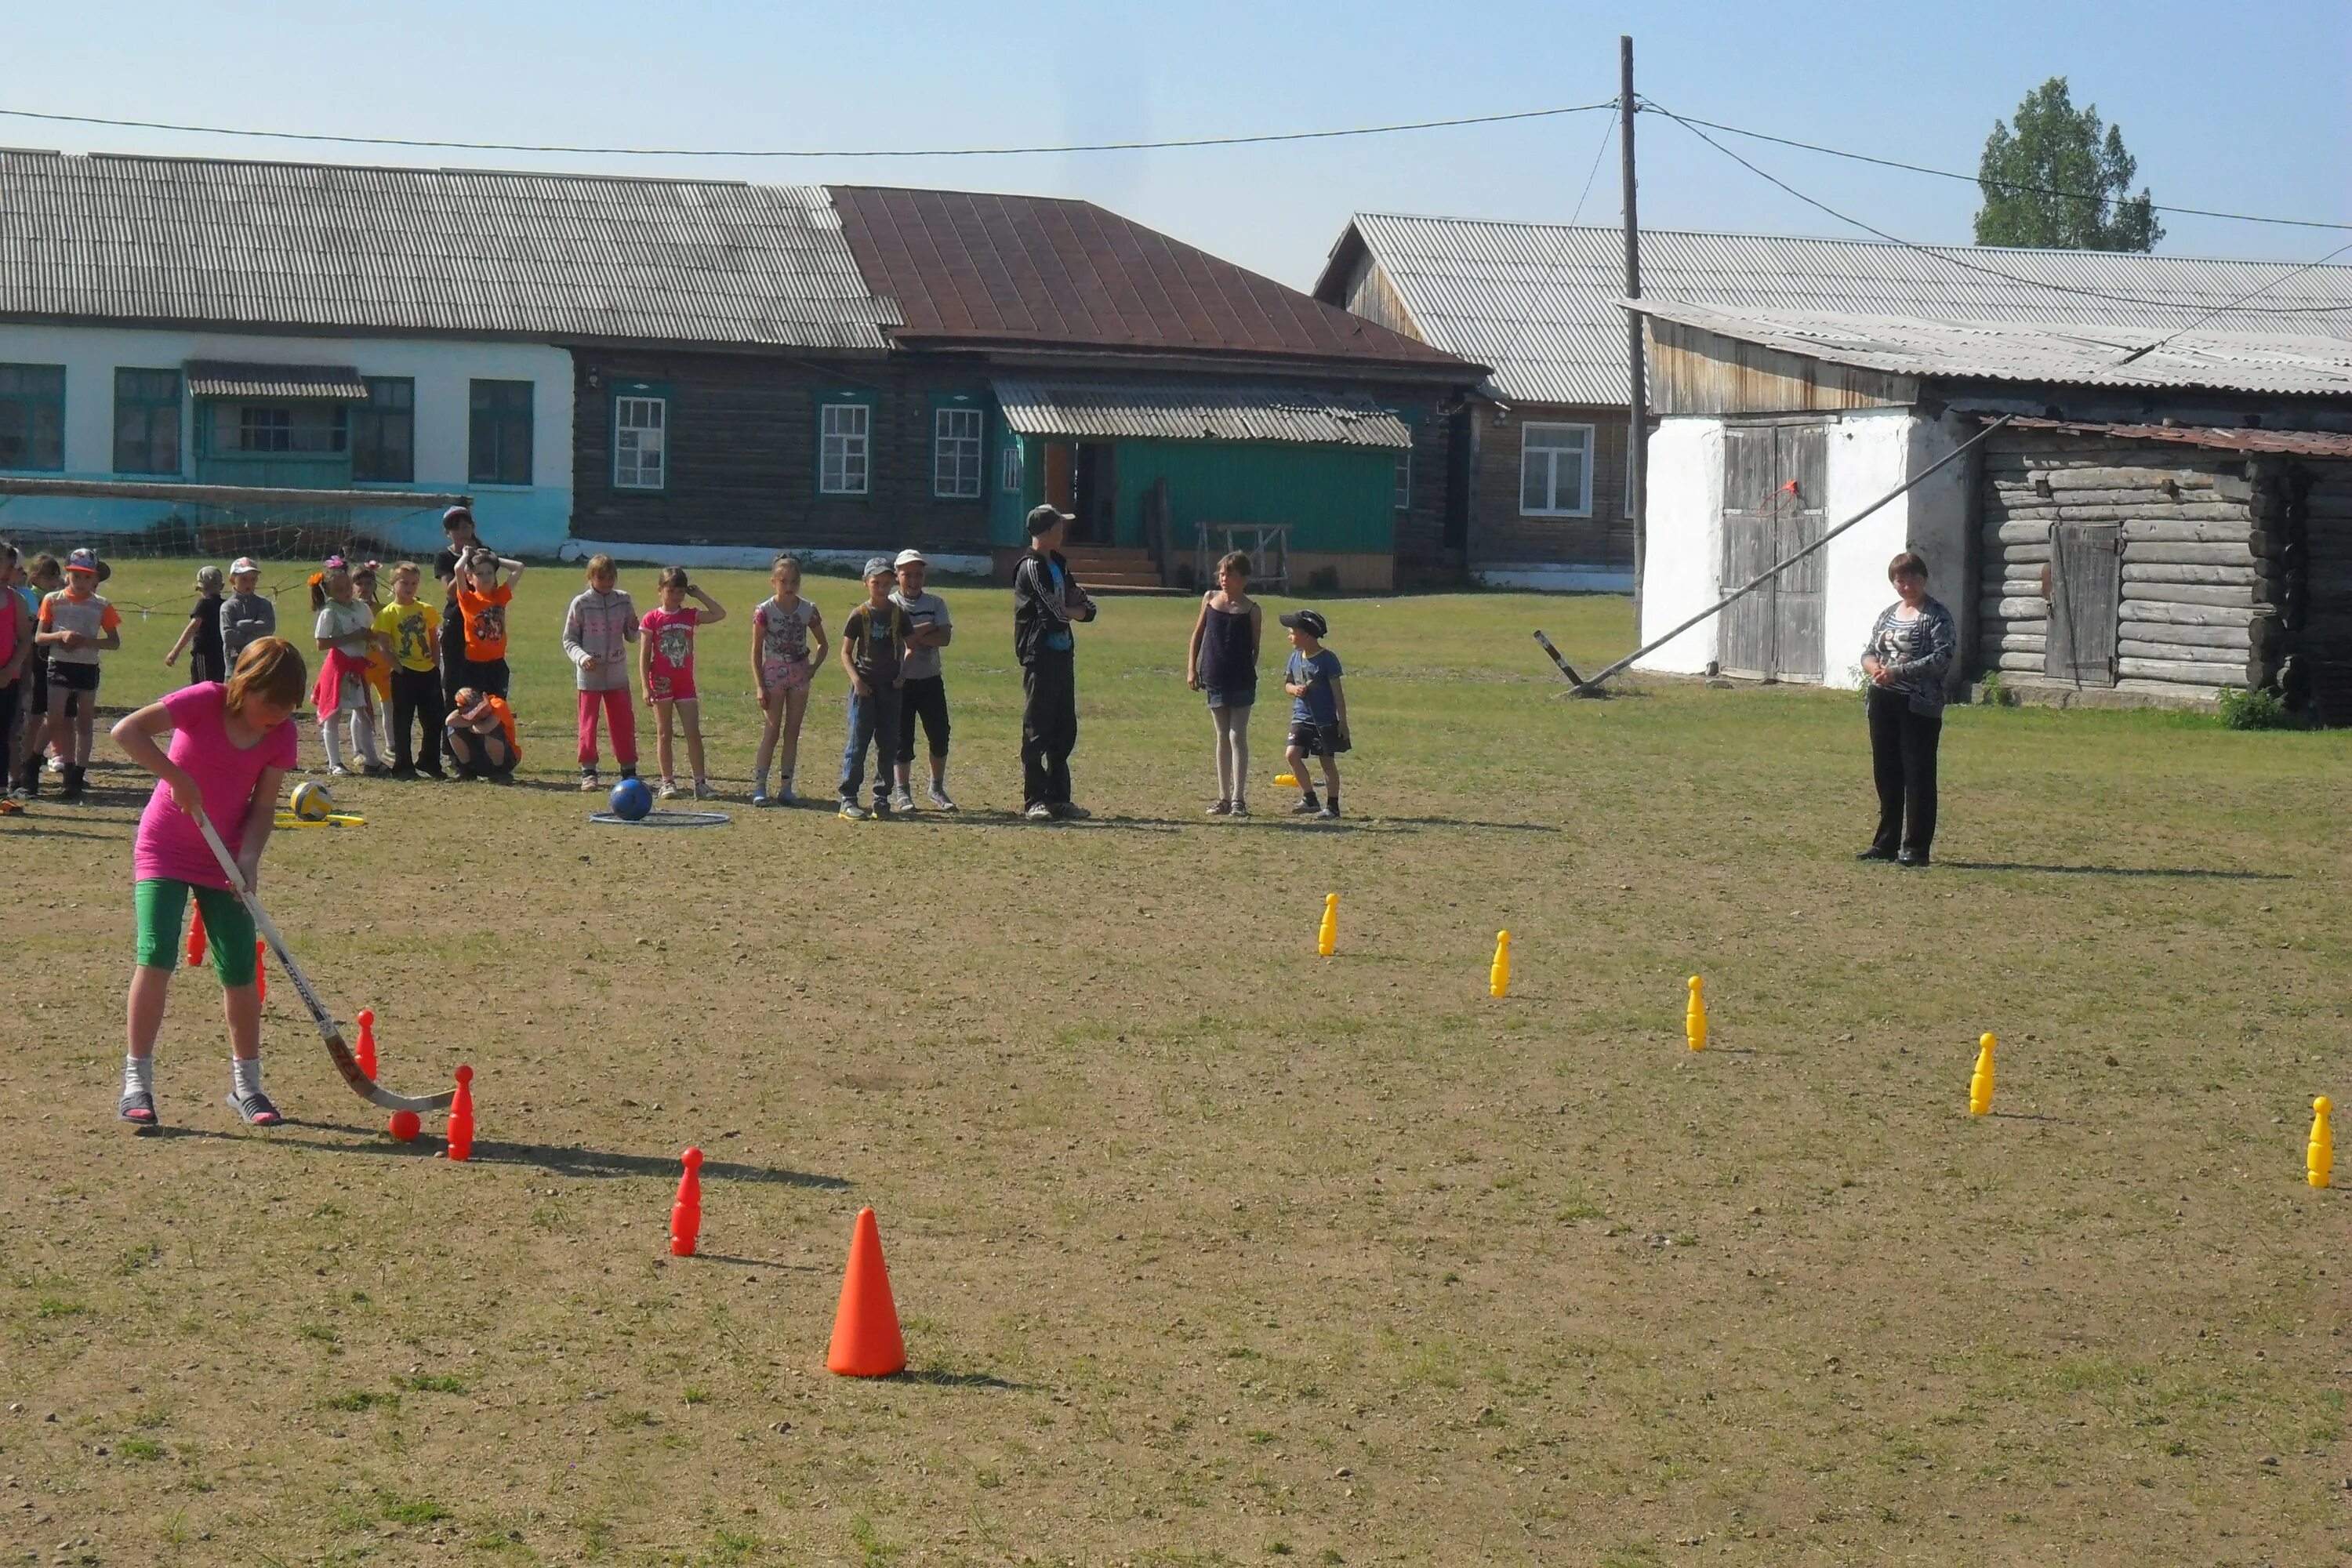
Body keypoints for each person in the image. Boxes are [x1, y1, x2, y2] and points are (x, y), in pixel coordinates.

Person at [110, 635, 307, 1127]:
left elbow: (263, 808)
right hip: (166, 848)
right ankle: (137, 1081)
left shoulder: (282, 735)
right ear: (245, 685)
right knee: (156, 953)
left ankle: (248, 1087)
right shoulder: (203, 701)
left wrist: (250, 858)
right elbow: (126, 731)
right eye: (269, 706)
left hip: (225, 859)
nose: (276, 718)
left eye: (286, 711)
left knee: (239, 968)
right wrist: (175, 776)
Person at [1857, 550, 1957, 868]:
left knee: (1918, 776)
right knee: (1886, 774)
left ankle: (1915, 848)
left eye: (1912, 577)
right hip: (1883, 702)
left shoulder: (1937, 615)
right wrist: (1873, 667)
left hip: (1918, 705)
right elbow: (1870, 650)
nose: (1906, 584)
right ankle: (1885, 844)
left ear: (1923, 579)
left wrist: (1897, 672)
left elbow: (1942, 657)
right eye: (1900, 579)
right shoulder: (1888, 614)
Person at [1011, 505, 1098, 821]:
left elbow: (1087, 607)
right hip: (1040, 655)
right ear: (1046, 531)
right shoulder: (1030, 568)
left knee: (1064, 729)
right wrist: (1071, 611)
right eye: (1059, 526)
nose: (1063, 532)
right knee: (1037, 729)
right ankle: (1034, 798)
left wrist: (1073, 610)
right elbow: (1054, 613)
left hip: (1063, 654)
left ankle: (1060, 798)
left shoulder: (1059, 563)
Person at [34, 548, 122, 803]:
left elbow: (114, 642)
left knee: (85, 722)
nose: (81, 582)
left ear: (95, 579)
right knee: (55, 719)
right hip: (59, 664)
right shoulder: (53, 600)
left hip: (86, 667)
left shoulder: (102, 605)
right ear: (68, 574)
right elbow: (39, 637)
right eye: (76, 575)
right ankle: (32, 768)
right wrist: (60, 636)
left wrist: (87, 641)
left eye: (87, 577)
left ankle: (76, 777)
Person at [637, 567, 726, 800]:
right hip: (661, 682)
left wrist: (700, 595)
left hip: (685, 682)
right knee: (664, 732)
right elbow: (645, 656)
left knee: (692, 732)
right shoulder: (652, 619)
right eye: (671, 591)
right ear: (660, 591)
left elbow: (719, 614)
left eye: (680, 592)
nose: (676, 596)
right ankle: (667, 781)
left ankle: (700, 783)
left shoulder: (690, 615)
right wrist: (646, 687)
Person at [1186, 550, 1263, 818]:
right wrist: (1191, 670)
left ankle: (1239, 799)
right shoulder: (1209, 600)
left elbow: (1255, 649)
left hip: (1241, 680)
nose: (1223, 578)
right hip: (1214, 677)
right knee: (1221, 736)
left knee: (1236, 735)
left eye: (1229, 574)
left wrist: (1244, 672)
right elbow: (1198, 635)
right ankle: (1223, 797)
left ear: (1244, 579)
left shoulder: (1252, 610)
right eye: (1221, 573)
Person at [836, 557, 911, 820]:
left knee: (888, 743)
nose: (882, 588)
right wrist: (857, 680)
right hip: (864, 688)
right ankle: (848, 798)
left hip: (891, 687)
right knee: (858, 743)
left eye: (886, 583)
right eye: (876, 582)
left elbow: (909, 645)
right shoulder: (859, 615)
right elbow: (846, 652)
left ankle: (882, 798)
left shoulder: (898, 614)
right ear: (866, 583)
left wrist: (903, 673)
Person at [750, 554, 826, 808]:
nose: (789, 586)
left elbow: (823, 643)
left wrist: (813, 666)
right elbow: (756, 649)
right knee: (771, 729)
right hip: (774, 672)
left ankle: (786, 786)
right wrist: (760, 684)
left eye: (793, 581)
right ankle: (760, 785)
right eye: (783, 581)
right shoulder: (765, 611)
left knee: (792, 731)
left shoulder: (808, 609)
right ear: (774, 582)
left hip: (799, 672)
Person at [561, 554, 640, 793]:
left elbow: (632, 634)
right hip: (590, 673)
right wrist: (583, 658)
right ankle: (589, 771)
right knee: (588, 722)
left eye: (611, 577)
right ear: (590, 578)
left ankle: (628, 770)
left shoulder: (624, 600)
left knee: (623, 721)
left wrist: (638, 630)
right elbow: (569, 639)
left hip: (616, 671)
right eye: (601, 578)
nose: (607, 582)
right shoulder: (581, 603)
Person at [888, 549, 957, 813]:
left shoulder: (936, 603)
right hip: (901, 681)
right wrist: (926, 628)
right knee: (902, 739)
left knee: (940, 735)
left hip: (930, 679)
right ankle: (902, 792)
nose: (914, 580)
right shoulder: (891, 604)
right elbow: (893, 637)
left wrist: (914, 637)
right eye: (907, 574)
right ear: (898, 576)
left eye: (918, 574)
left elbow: (945, 638)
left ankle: (936, 787)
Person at [310, 556, 387, 776]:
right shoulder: (329, 612)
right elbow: (321, 643)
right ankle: (335, 763)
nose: (346, 592)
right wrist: (352, 637)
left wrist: (374, 637)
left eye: (347, 587)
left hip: (357, 667)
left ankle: (371, 760)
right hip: (338, 667)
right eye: (339, 589)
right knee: (332, 715)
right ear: (329, 591)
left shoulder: (361, 607)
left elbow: (369, 631)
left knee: (363, 713)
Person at [375, 563, 444, 779]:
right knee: (403, 721)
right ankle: (403, 765)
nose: (409, 587)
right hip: (405, 673)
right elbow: (383, 646)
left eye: (414, 583)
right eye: (404, 583)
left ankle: (430, 761)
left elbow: (433, 638)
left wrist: (435, 661)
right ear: (394, 583)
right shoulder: (388, 613)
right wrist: (398, 667)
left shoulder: (426, 609)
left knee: (434, 720)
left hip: (428, 670)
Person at [1279, 609, 1348, 821]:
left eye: (1293, 632)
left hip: (1324, 721)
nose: (1289, 636)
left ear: (1307, 635)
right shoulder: (1294, 657)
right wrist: (1294, 690)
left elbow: (1338, 694)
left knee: (1326, 762)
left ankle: (1333, 806)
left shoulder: (1327, 660)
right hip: (1301, 717)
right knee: (1292, 755)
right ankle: (1310, 797)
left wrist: (1342, 722)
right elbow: (1287, 684)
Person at [13, 553, 62, 797]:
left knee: (38, 712)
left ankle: (32, 759)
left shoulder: (47, 596)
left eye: (56, 576)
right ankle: (24, 762)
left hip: (44, 661)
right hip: (33, 661)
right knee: (30, 713)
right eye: (49, 576)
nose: (55, 581)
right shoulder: (32, 597)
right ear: (35, 576)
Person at [433, 506, 485, 712]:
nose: (462, 533)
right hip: (456, 624)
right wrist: (462, 563)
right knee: (454, 683)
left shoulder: (484, 554)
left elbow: (491, 588)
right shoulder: (444, 557)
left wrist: (477, 557)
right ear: (448, 533)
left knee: (480, 682)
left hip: (480, 623)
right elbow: (451, 593)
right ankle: (451, 737)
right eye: (456, 529)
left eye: (466, 527)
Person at [455, 546, 524, 700]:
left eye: (489, 573)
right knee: (475, 708)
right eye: (479, 574)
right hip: (474, 666)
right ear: (470, 578)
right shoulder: (468, 599)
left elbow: (519, 567)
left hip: (497, 664)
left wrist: (493, 559)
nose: (485, 577)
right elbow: (458, 569)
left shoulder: (500, 596)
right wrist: (467, 555)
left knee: (497, 706)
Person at [163, 565, 228, 686]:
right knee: (217, 687)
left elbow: (193, 627)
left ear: (200, 588)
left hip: (205, 654)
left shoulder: (203, 604)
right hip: (222, 654)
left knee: (203, 688)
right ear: (222, 586)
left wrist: (175, 651)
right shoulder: (226, 605)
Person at [0, 545, 29, 811]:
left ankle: (1, 795)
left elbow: (24, 639)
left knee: (4, 733)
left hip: (6, 679)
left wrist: (11, 669)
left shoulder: (15, 601)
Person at [445, 685, 521, 782]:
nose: (482, 713)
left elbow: (486, 728)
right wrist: (467, 716)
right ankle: (466, 771)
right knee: (453, 728)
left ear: (485, 696)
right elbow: (449, 721)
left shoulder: (498, 704)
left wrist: (470, 723)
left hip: (508, 758)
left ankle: (501, 773)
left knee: (492, 730)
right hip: (479, 758)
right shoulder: (469, 714)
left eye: (483, 707)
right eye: (476, 712)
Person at [220, 557, 275, 667]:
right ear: (232, 580)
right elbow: (228, 636)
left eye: (253, 579)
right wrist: (255, 632)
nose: (249, 584)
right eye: (244, 579)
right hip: (235, 664)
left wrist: (243, 626)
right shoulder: (228, 606)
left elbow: (268, 629)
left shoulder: (264, 604)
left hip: (259, 661)